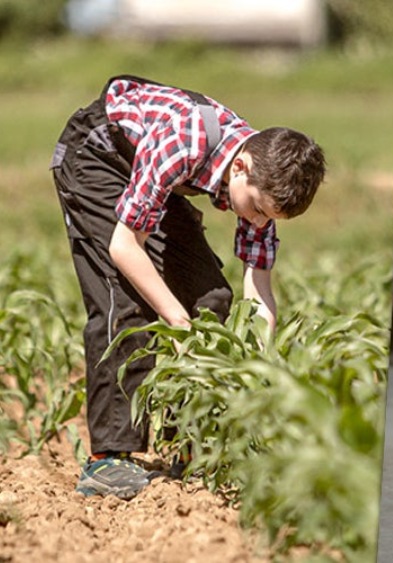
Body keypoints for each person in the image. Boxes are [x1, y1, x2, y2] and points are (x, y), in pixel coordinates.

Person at [50, 75, 326, 500]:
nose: (257, 222)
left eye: (268, 218)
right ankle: (108, 459)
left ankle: (190, 443)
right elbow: (125, 247)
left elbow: (259, 286)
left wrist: (258, 362)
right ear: (241, 167)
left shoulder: (262, 184)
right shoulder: (187, 140)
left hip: (149, 173)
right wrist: (175, 319)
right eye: (255, 209)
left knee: (211, 298)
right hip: (99, 157)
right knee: (125, 301)